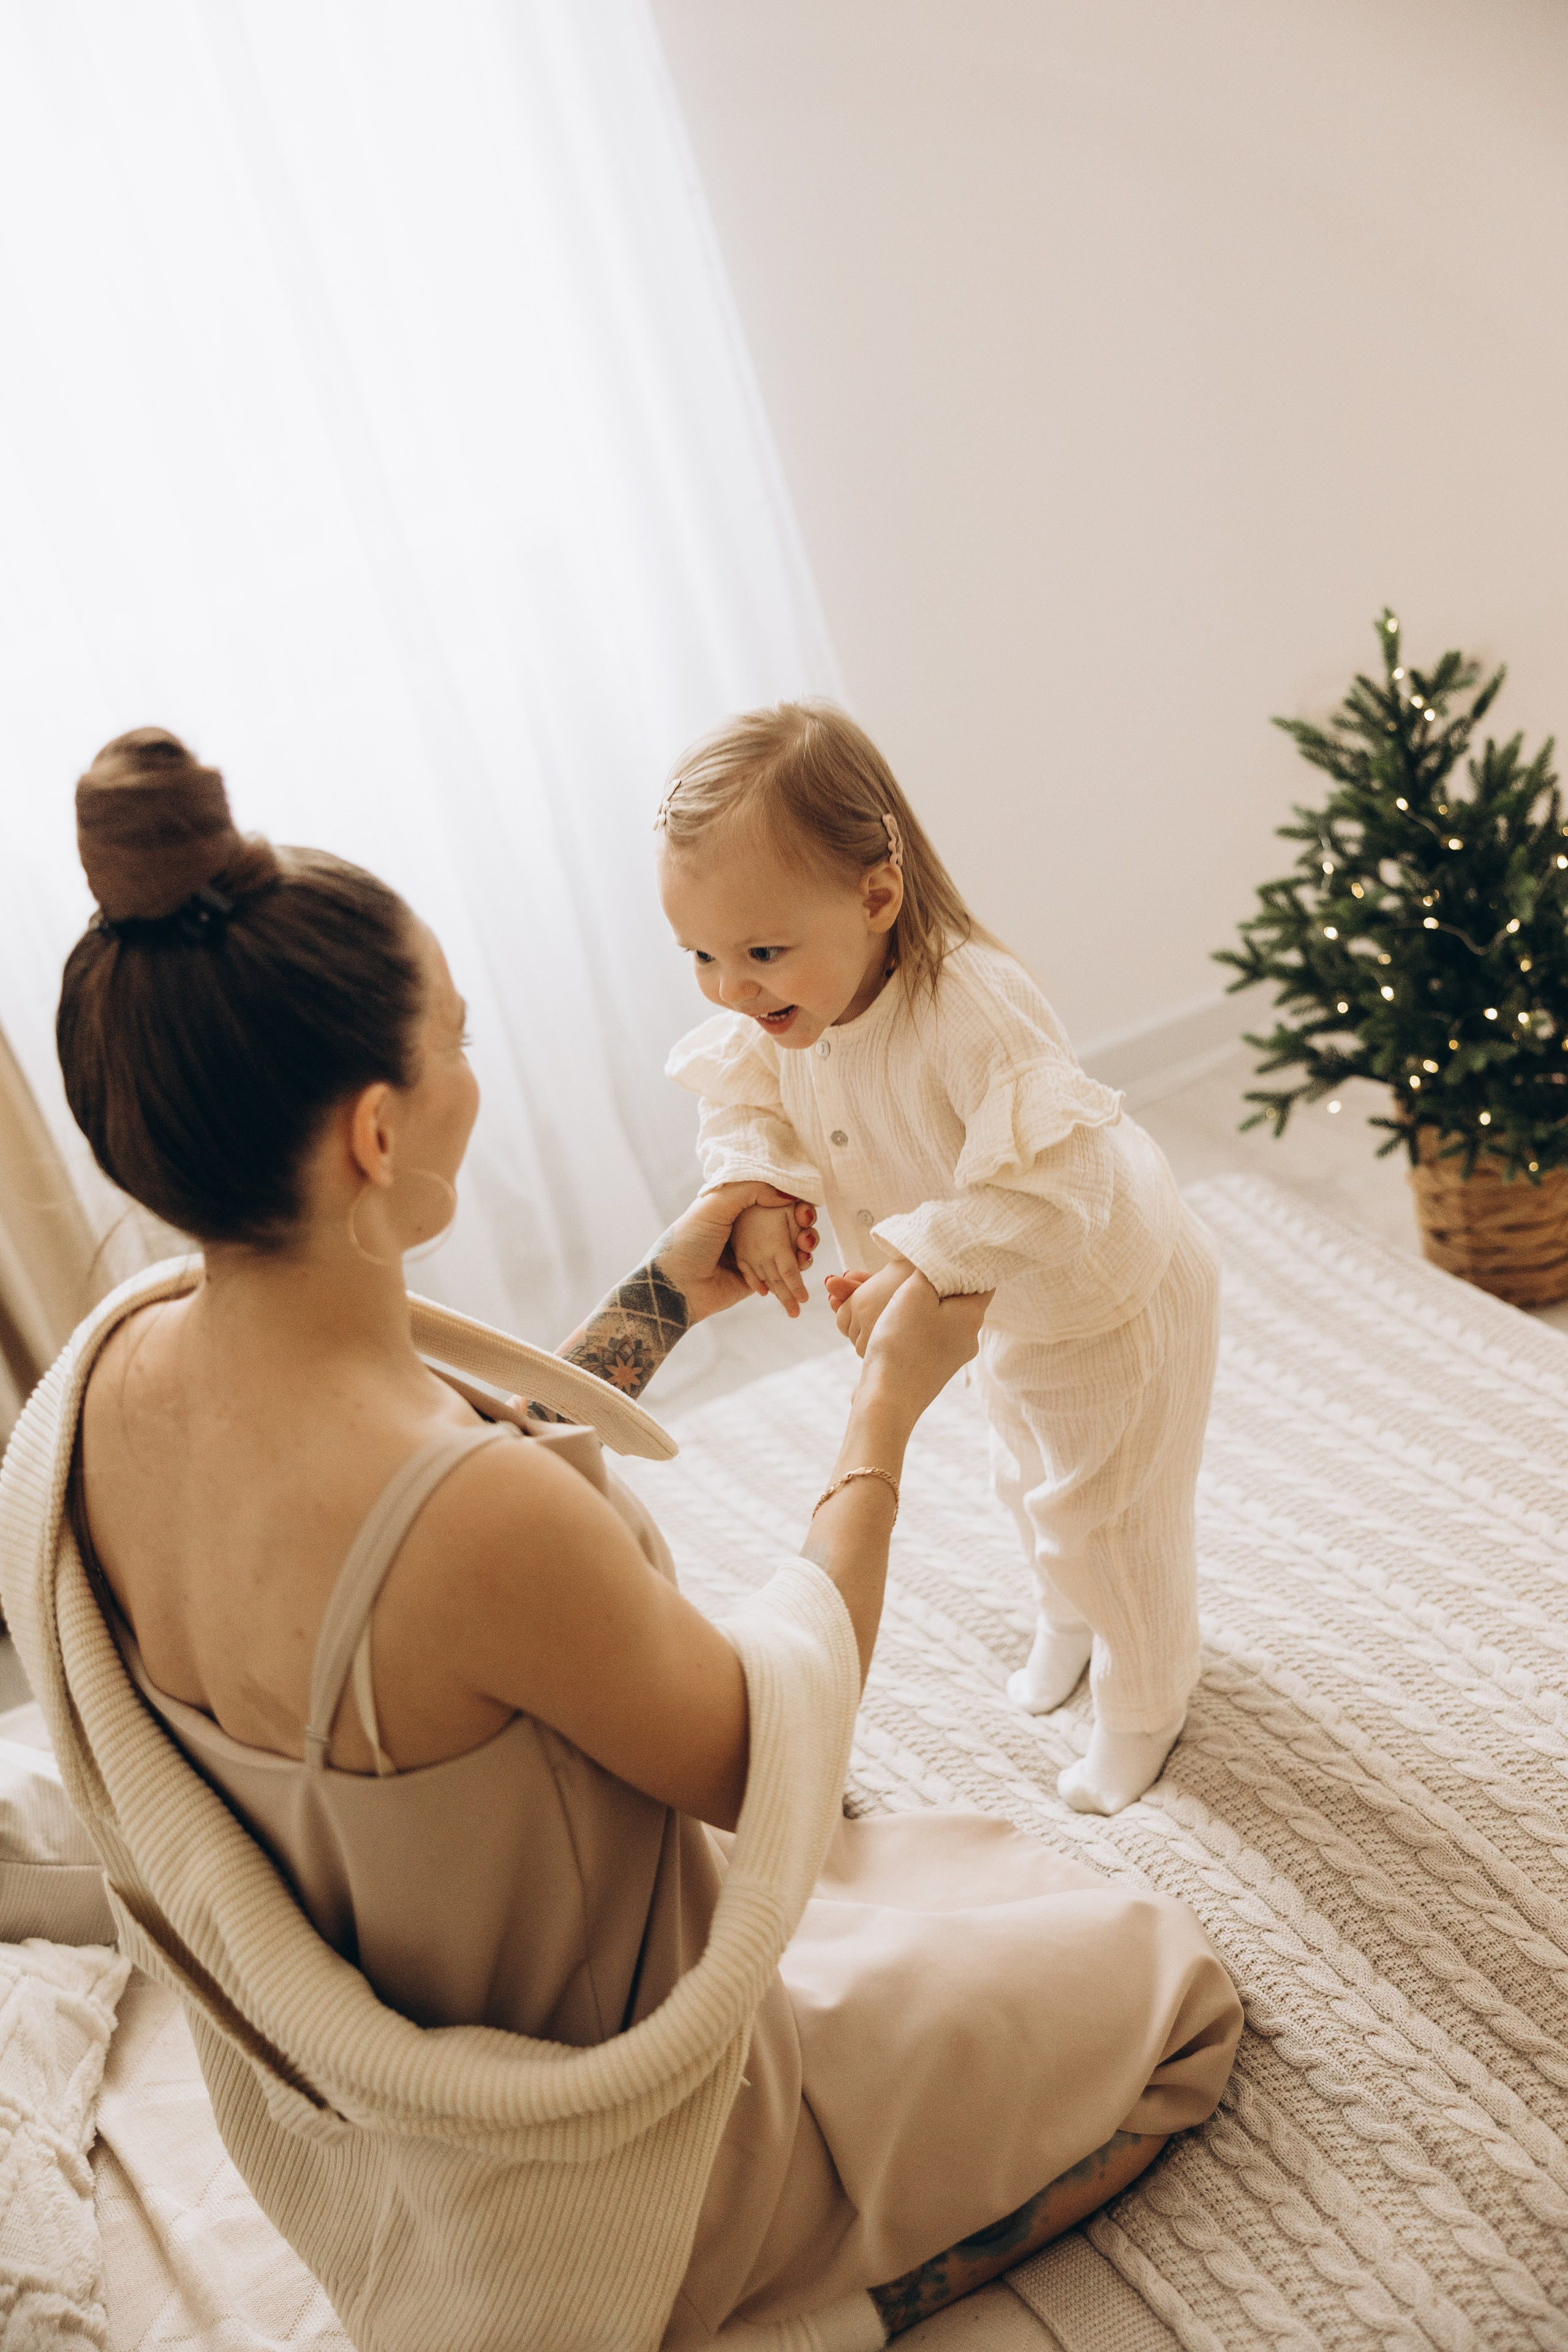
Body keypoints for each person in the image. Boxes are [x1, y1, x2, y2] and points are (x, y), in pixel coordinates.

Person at [26, 728, 1241, 2348]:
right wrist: (884, 1411)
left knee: (953, 1887)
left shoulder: (101, 1384)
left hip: (385, 2119)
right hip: (617, 2154)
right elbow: (768, 1758)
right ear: (381, 1133)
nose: (479, 1068)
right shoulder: (475, 1520)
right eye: (459, 1037)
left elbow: (436, 1509)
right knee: (1168, 1993)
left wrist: (663, 1302)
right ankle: (811, 2301)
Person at [658, 702, 1219, 1817]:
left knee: (1109, 1516)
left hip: (1109, 1298)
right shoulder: (787, 1012)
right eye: (701, 958)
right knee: (1027, 1477)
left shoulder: (973, 1013)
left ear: (876, 895)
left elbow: (1058, 1186)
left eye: (760, 953)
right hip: (998, 1311)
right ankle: (1069, 1616)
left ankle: (1148, 1694)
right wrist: (753, 1189)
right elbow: (747, 1105)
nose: (733, 990)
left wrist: (919, 1259)